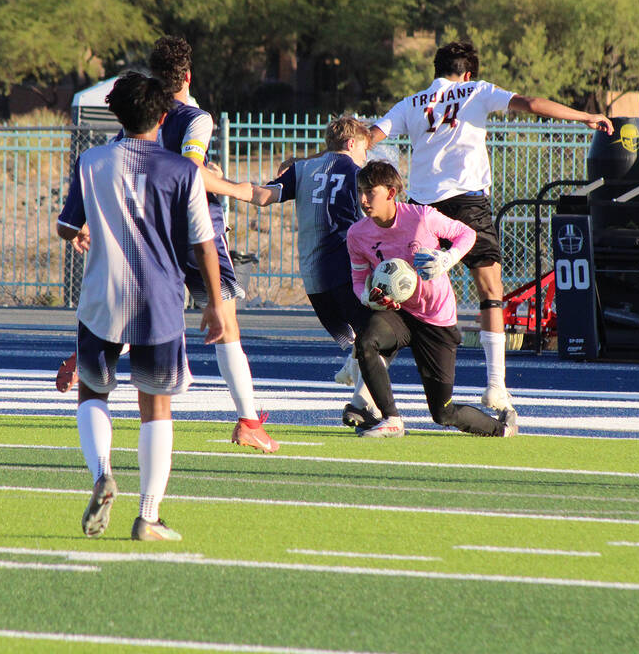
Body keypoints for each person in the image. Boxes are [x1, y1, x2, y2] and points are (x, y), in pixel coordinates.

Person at [368, 40, 614, 422]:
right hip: (467, 204)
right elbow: (532, 104)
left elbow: (371, 136)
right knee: (490, 291)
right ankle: (496, 386)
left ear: (436, 69)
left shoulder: (410, 103)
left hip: (420, 208)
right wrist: (585, 117)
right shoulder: (477, 91)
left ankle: (363, 389)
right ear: (468, 74)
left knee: (403, 291)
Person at [59, 35, 278, 453]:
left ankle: (82, 359)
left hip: (144, 231)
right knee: (226, 323)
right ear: (189, 75)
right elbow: (192, 172)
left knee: (140, 305)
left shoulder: (135, 117)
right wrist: (243, 190)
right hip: (196, 230)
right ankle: (249, 421)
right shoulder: (195, 118)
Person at [56, 71, 224, 542]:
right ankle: (148, 516)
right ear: (164, 116)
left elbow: (67, 226)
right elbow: (204, 244)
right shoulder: (183, 171)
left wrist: (80, 233)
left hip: (101, 298)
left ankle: (102, 472)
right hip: (160, 299)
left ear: (116, 114)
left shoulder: (90, 160)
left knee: (93, 392)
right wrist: (212, 302)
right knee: (156, 406)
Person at [346, 160, 516, 438]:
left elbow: (467, 233)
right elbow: (357, 279)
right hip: (398, 314)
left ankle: (503, 428)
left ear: (391, 192)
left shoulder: (422, 217)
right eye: (360, 191)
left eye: (370, 192)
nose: (363, 200)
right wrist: (366, 296)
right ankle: (391, 420)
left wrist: (447, 259)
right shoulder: (357, 234)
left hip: (436, 318)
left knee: (443, 412)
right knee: (366, 341)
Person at [244, 115, 381, 428]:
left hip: (314, 279)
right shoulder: (360, 173)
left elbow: (263, 196)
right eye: (364, 147)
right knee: (384, 332)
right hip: (349, 271)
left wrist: (221, 185)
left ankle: (361, 388)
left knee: (362, 339)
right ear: (351, 143)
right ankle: (363, 403)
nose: (365, 154)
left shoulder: (302, 169)